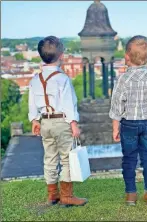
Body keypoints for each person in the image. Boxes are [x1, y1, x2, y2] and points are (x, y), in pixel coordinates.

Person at [28, 36, 88, 207]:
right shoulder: (63, 79)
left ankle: (52, 195)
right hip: (61, 122)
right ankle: (67, 196)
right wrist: (73, 124)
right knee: (67, 158)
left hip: (45, 122)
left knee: (50, 158)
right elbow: (69, 104)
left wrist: (35, 120)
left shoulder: (34, 80)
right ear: (61, 55)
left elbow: (32, 103)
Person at [109, 35, 147, 207]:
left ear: (127, 56)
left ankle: (131, 195)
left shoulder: (123, 79)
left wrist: (115, 128)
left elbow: (116, 107)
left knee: (129, 159)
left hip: (129, 125)